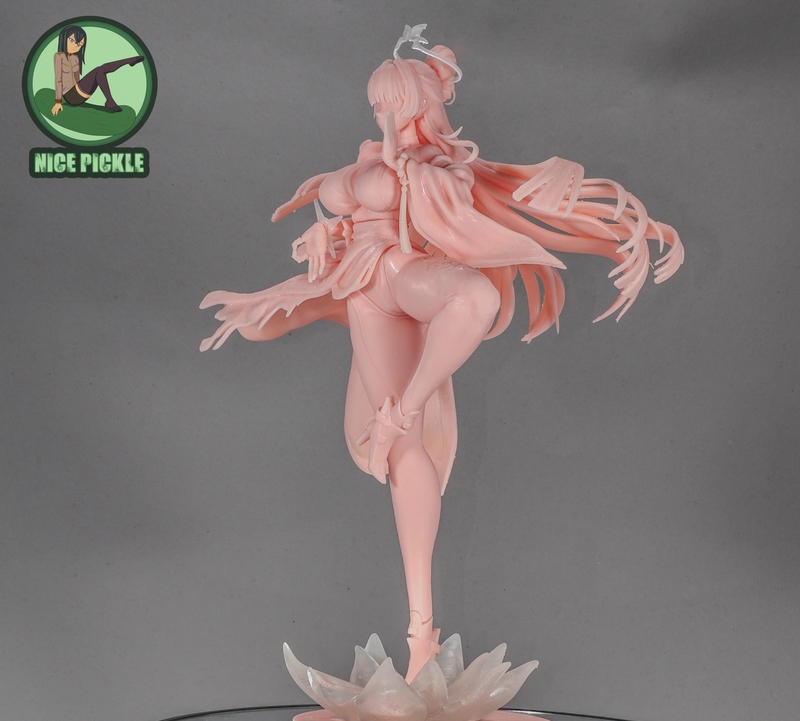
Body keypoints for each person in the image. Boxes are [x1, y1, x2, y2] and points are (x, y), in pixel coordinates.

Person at [201, 30, 683, 682]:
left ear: (418, 102)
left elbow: (445, 214)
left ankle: (404, 412)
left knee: (473, 299)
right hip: (364, 290)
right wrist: (327, 231)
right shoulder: (373, 158)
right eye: (376, 104)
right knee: (407, 454)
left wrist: (410, 170)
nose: (380, 114)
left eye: (391, 103)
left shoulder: (439, 164)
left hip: (403, 274)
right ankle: (420, 632)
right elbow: (342, 204)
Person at [51, 24, 144, 115]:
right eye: (72, 40)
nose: (75, 47)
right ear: (64, 38)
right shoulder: (59, 56)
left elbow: (77, 78)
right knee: (99, 70)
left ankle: (129, 61)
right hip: (70, 96)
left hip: (81, 92)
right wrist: (58, 102)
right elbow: (58, 80)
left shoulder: (75, 58)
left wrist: (85, 84)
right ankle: (129, 62)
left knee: (100, 70)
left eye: (79, 45)